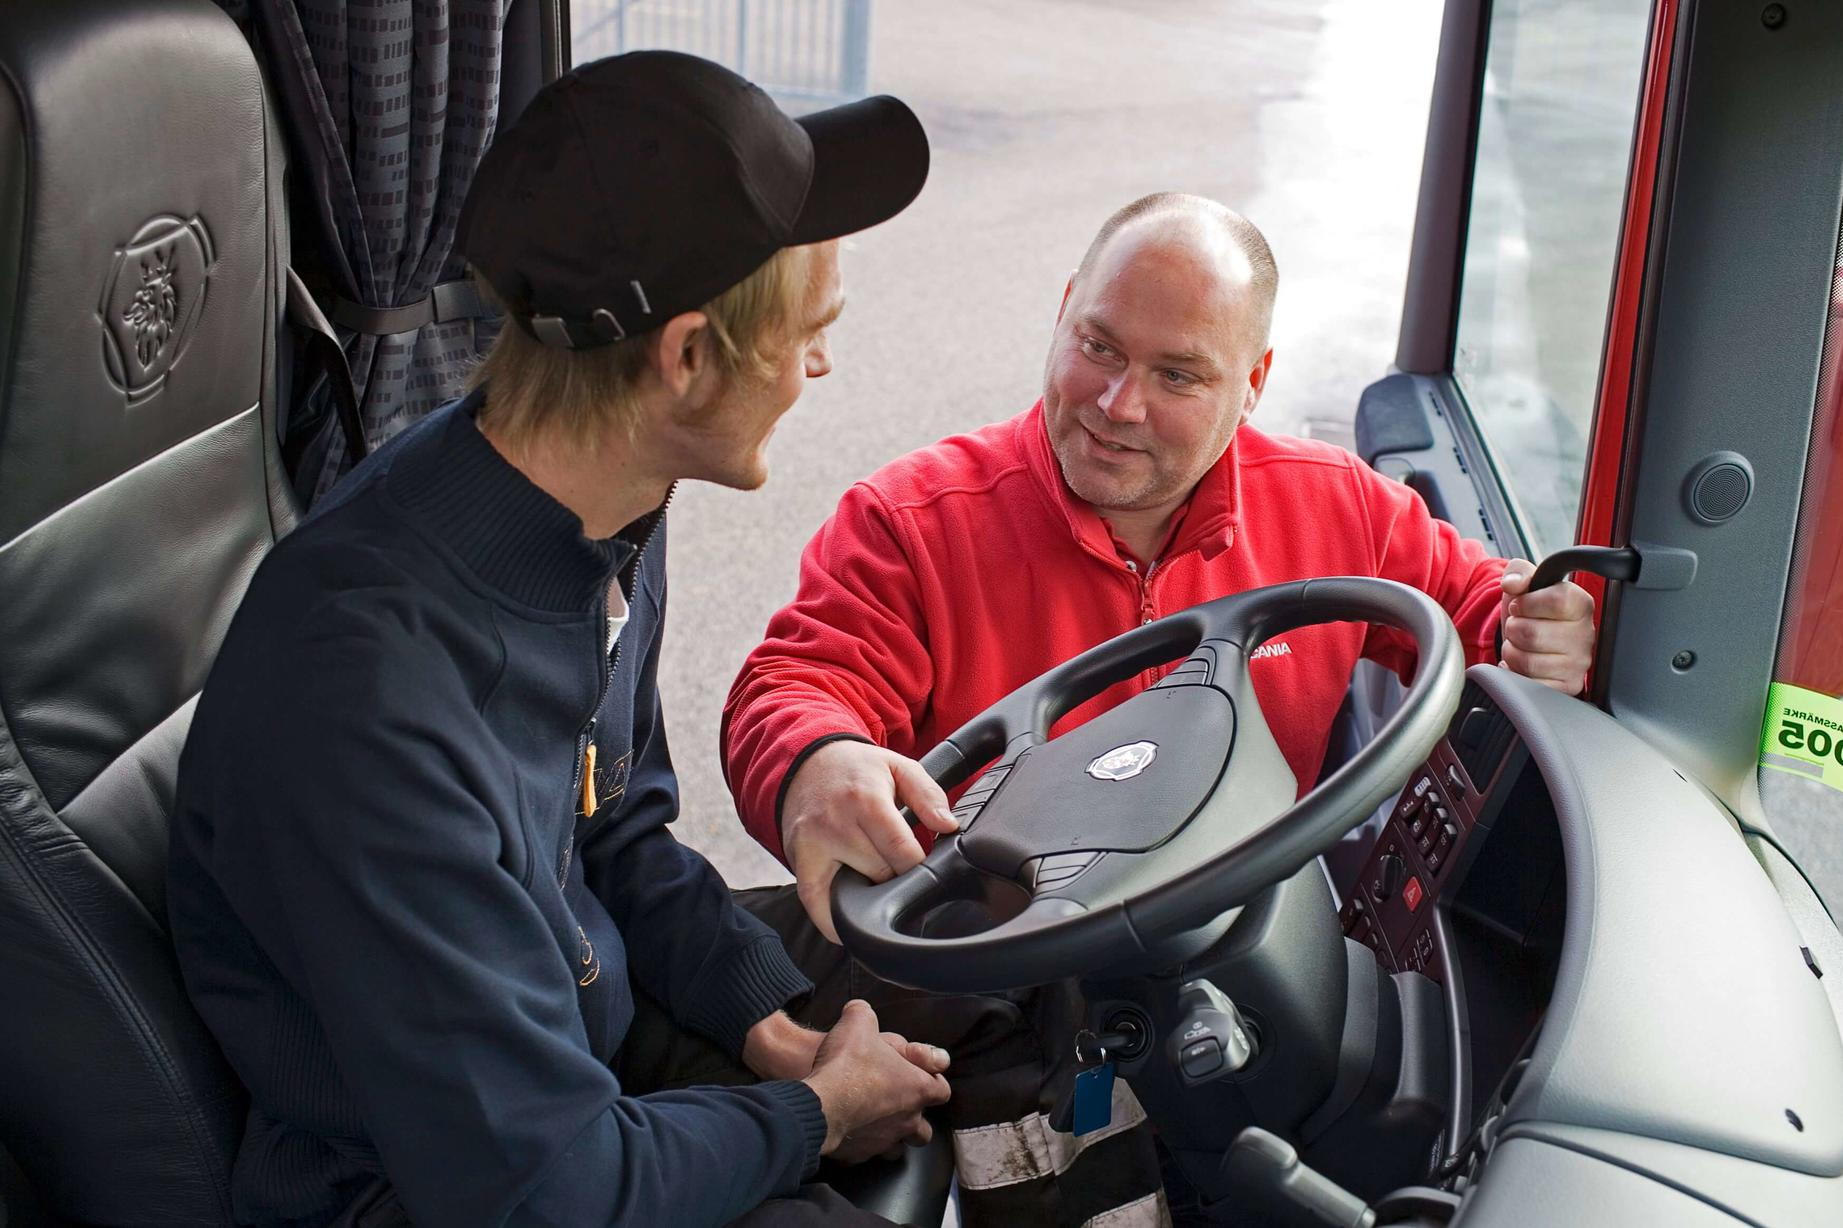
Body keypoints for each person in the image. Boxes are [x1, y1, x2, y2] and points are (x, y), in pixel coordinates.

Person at [168, 52, 948, 1228]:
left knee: (984, 947)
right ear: (685, 359)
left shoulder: (610, 503)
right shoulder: (365, 699)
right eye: (808, 333)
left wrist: (755, 1010)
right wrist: (817, 1113)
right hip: (437, 1185)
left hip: (583, 1035)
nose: (820, 366)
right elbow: (540, 1186)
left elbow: (615, 821)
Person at [721, 192, 1597, 1225]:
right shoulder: (913, 520)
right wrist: (815, 756)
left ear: (1253, 382)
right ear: (1062, 314)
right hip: (1003, 963)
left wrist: (1539, 625)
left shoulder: (1337, 506)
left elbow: (1471, 602)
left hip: (1235, 958)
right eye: (1096, 346)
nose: (1116, 402)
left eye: (1176, 374)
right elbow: (794, 685)